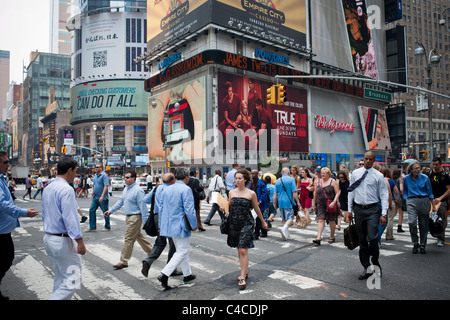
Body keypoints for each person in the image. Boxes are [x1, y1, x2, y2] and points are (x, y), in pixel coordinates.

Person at [42, 157, 86, 300]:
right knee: (73, 280)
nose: (76, 174)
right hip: (62, 240)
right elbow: (70, 219)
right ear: (69, 170)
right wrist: (79, 241)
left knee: (61, 278)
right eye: (75, 171)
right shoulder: (67, 189)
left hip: (49, 238)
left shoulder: (48, 188)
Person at [220, 169, 268, 290]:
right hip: (234, 223)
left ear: (245, 179)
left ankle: (242, 276)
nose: (237, 181)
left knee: (243, 249)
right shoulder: (231, 192)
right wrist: (223, 210)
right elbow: (229, 207)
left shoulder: (251, 193)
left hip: (247, 223)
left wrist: (263, 222)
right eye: (236, 178)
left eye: (240, 178)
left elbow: (257, 209)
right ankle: (244, 270)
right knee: (239, 247)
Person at [0, 152, 39, 300]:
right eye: (5, 162)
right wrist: (23, 212)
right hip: (1, 230)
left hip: (4, 228)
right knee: (7, 258)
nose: (8, 165)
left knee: (6, 258)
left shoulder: (2, 179)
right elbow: (2, 204)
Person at [348, 151, 389, 280]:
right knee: (362, 241)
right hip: (359, 210)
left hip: (372, 209)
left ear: (374, 160)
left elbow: (384, 194)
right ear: (363, 159)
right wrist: (349, 210)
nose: (367, 161)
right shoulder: (355, 173)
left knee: (373, 238)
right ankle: (366, 267)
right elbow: (351, 191)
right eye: (365, 159)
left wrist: (384, 213)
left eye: (370, 159)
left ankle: (375, 263)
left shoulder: (378, 176)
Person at [157, 168, 198, 290]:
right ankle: (165, 273)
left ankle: (187, 274)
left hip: (168, 225)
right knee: (182, 251)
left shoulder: (167, 189)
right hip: (181, 225)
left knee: (181, 250)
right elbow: (189, 209)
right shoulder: (186, 189)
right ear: (186, 177)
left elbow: (161, 208)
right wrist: (194, 224)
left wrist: (161, 225)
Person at [104, 170, 153, 270]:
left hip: (135, 217)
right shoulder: (126, 189)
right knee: (138, 236)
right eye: (125, 177)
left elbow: (143, 207)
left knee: (128, 239)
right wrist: (110, 211)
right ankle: (152, 252)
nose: (125, 179)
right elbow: (120, 201)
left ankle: (123, 261)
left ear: (133, 178)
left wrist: (145, 221)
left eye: (128, 177)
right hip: (128, 217)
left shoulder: (138, 190)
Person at [142, 173, 180, 277]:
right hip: (166, 218)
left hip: (156, 217)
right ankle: (170, 268)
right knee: (173, 244)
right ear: (172, 181)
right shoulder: (171, 190)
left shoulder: (157, 188)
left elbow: (146, 199)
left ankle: (148, 261)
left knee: (160, 243)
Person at [403, 160, 436, 254]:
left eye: (419, 168)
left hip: (423, 200)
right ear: (411, 170)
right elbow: (405, 190)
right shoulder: (406, 178)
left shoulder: (425, 178)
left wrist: (433, 205)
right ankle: (415, 242)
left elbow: (430, 192)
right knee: (412, 222)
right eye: (416, 168)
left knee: (423, 224)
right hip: (411, 200)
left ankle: (422, 244)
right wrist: (406, 198)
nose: (418, 170)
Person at [312, 167, 340, 245]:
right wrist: (314, 204)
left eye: (324, 173)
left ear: (328, 174)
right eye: (322, 173)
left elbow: (337, 193)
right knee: (320, 220)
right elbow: (315, 193)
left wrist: (334, 202)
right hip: (320, 204)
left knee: (331, 220)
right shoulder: (318, 182)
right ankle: (318, 237)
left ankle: (332, 236)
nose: (322, 174)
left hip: (330, 204)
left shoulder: (333, 181)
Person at [273, 167, 301, 241]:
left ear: (282, 173)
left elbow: (275, 194)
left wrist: (274, 203)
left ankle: (286, 234)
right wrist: (298, 202)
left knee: (284, 218)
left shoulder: (278, 181)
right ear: (288, 173)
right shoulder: (291, 179)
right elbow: (294, 192)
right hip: (288, 201)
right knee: (290, 218)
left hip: (280, 201)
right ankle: (284, 228)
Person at [428, 157, 450, 247]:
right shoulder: (429, 174)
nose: (435, 166)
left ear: (440, 164)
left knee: (441, 218)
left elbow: (449, 189)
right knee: (430, 218)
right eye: (433, 164)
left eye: (436, 164)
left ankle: (441, 238)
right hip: (431, 200)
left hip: (441, 200)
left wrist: (441, 198)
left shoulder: (445, 175)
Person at [88, 164, 110, 231]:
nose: (96, 168)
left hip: (102, 197)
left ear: (101, 168)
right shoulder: (95, 177)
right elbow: (94, 186)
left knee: (105, 212)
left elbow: (106, 186)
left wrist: (102, 196)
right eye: (95, 167)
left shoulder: (104, 175)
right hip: (95, 197)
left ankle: (107, 226)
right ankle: (92, 226)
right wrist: (92, 194)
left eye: (97, 167)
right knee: (91, 210)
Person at [248, 169, 269, 238]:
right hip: (254, 203)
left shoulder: (261, 183)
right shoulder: (251, 183)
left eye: (253, 174)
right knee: (256, 218)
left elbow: (264, 193)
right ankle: (258, 232)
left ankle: (259, 233)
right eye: (251, 174)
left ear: (256, 174)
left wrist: (260, 201)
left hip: (261, 204)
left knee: (260, 218)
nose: (252, 175)